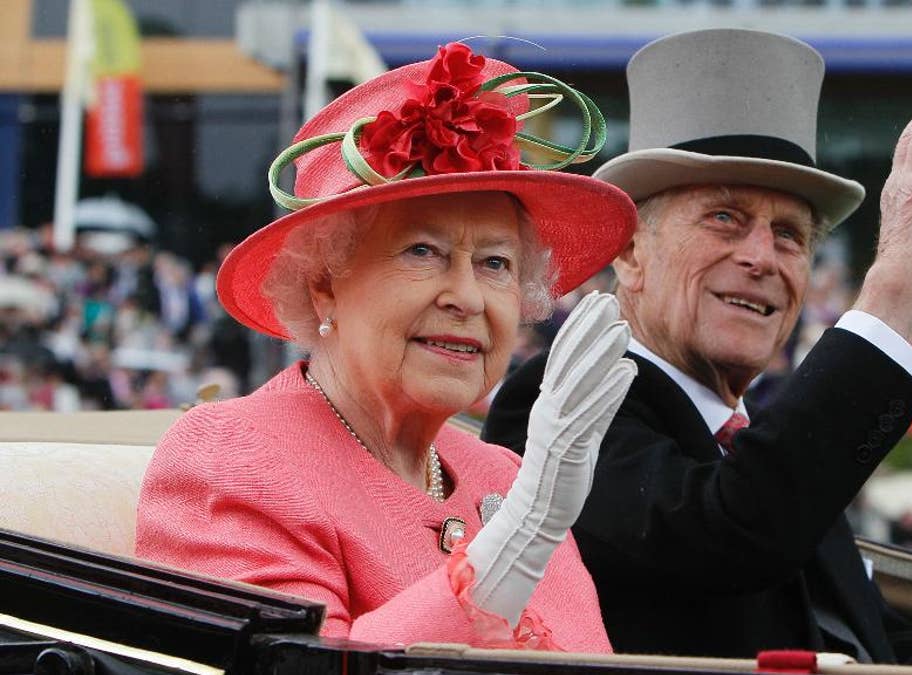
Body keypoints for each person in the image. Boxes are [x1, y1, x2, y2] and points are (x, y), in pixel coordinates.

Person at [483, 28, 912, 662]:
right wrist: (888, 305)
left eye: (788, 235)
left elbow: (873, 637)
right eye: (724, 217)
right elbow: (728, 536)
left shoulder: (762, 447)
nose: (760, 258)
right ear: (632, 251)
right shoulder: (558, 401)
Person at [136, 43, 640, 651]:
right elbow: (298, 669)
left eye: (496, 263)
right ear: (324, 284)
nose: (468, 297)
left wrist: (526, 518)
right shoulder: (230, 458)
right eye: (422, 252)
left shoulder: (502, 474)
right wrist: (517, 539)